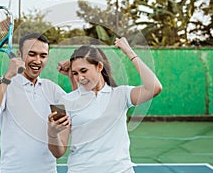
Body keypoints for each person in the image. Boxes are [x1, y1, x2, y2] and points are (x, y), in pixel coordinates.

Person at [47, 37, 163, 173]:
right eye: (75, 73)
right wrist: (52, 133)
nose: (80, 78)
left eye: (84, 71)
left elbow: (154, 87)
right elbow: (58, 152)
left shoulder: (121, 94)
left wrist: (128, 51)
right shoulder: (65, 101)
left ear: (99, 67)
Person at [0, 33, 68, 173]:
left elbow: (80, 107)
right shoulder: (3, 83)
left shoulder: (53, 90)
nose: (37, 60)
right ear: (19, 54)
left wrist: (73, 75)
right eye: (32, 54)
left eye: (43, 55)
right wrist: (8, 76)